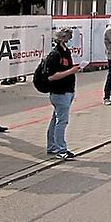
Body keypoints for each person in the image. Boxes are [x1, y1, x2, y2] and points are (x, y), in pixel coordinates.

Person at [44, 28, 81, 160]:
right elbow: (52, 76)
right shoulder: (55, 55)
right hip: (59, 92)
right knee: (62, 121)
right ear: (61, 39)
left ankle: (52, 146)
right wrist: (71, 71)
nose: (69, 42)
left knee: (56, 119)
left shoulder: (66, 52)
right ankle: (61, 149)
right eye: (67, 39)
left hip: (68, 91)